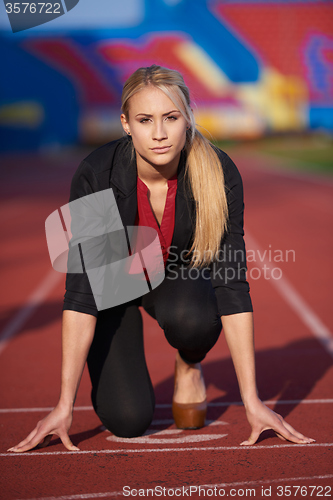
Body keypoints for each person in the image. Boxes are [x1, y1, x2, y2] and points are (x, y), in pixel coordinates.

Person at [8, 65, 314, 453]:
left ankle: (189, 363)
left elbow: (231, 284)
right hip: (112, 288)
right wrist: (63, 405)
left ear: (187, 117)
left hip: (175, 278)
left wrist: (251, 400)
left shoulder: (217, 172)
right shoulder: (96, 174)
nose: (158, 133)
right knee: (128, 421)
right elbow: (82, 293)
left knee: (194, 318)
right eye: (144, 119)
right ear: (125, 124)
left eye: (170, 118)